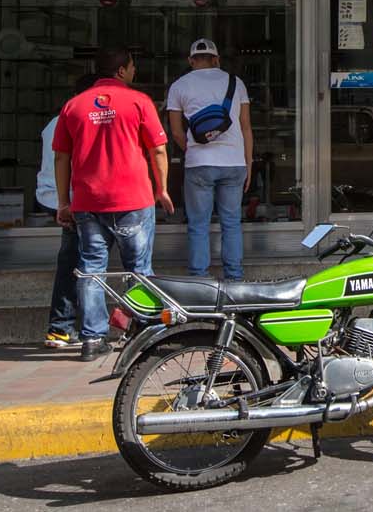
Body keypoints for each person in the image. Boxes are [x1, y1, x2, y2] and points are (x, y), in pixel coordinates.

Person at [54, 46, 172, 362]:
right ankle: (146, 332)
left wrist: (64, 201)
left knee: (92, 269)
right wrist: (162, 189)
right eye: (132, 67)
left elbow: (61, 157)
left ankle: (92, 339)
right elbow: (158, 150)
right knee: (140, 270)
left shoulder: (73, 106)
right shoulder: (138, 101)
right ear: (121, 71)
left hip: (89, 201)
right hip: (133, 199)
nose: (135, 72)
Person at [165, 38, 253, 281]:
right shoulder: (237, 83)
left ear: (191, 60)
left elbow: (175, 131)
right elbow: (246, 127)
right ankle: (234, 278)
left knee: (198, 224)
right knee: (232, 223)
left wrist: (191, 149)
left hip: (199, 163)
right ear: (216, 59)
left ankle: (200, 278)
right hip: (234, 162)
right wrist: (249, 162)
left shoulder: (179, 86)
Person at [36, 73, 98, 349]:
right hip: (76, 200)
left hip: (58, 198)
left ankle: (61, 328)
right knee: (83, 264)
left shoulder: (53, 123)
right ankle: (83, 330)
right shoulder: (79, 120)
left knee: (71, 262)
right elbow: (69, 162)